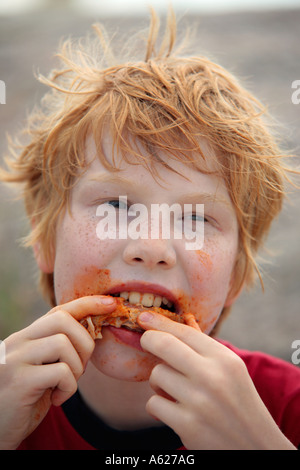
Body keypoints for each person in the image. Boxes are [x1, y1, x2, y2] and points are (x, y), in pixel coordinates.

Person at [0, 9, 299, 450]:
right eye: (116, 206)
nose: (151, 246)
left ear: (235, 276)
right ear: (46, 239)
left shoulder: (285, 411)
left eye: (196, 219)